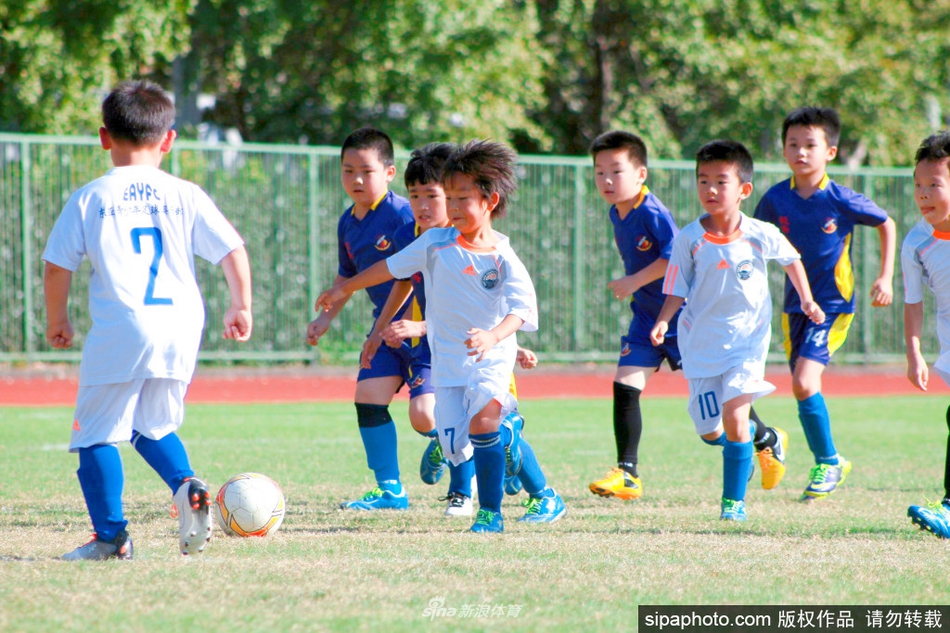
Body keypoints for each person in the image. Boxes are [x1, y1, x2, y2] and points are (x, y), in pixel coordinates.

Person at [42, 79, 253, 560]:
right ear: (169, 139)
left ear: (104, 137)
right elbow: (232, 249)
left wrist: (59, 319)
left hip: (125, 325)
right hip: (181, 324)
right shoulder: (185, 193)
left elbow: (57, 265)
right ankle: (186, 484)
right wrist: (240, 305)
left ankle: (111, 538)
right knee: (152, 424)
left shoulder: (91, 196)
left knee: (96, 431)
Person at [316, 140, 566, 533]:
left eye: (462, 198)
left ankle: (490, 513)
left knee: (484, 426)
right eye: (448, 198)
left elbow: (522, 310)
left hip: (489, 358)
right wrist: (343, 289)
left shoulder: (503, 257)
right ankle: (517, 450)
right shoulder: (433, 243)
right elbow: (390, 268)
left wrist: (493, 337)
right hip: (448, 362)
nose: (452, 207)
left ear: (489, 201)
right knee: (453, 444)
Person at [587, 131, 790, 500]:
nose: (607, 180)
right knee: (625, 385)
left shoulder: (651, 212)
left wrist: (634, 281)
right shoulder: (617, 212)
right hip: (647, 318)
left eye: (616, 171)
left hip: (684, 319)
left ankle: (765, 438)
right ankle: (628, 473)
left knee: (721, 406)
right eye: (599, 172)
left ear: (641, 174)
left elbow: (672, 258)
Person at [650, 140, 824, 521]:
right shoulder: (689, 238)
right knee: (711, 431)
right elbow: (677, 287)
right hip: (701, 344)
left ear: (744, 189)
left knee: (735, 417)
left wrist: (807, 300)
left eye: (720, 181)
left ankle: (733, 504)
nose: (710, 189)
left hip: (748, 341)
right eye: (703, 181)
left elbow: (791, 259)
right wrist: (663, 320)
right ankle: (767, 439)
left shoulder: (760, 232)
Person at [754, 107, 896, 501]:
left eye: (810, 145)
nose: (800, 152)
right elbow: (753, 240)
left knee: (804, 381)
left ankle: (828, 462)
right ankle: (830, 460)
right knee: (801, 388)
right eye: (793, 144)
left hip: (833, 305)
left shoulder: (840, 198)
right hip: (793, 308)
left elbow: (886, 223)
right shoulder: (775, 198)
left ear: (830, 152)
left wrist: (885, 277)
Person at [306, 127, 415, 511]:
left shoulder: (403, 214)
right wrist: (326, 319)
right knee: (368, 397)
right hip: (383, 329)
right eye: (348, 170)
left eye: (366, 171)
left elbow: (412, 273)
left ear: (389, 172)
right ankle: (391, 491)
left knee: (429, 417)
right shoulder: (347, 222)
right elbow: (346, 277)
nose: (356, 179)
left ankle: (477, 466)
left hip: (420, 326)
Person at [902, 131, 950, 538]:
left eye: (934, 184)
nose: (923, 193)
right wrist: (914, 352)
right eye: (918, 184)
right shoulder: (917, 242)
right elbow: (913, 303)